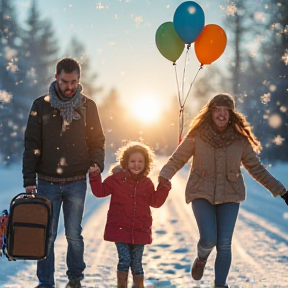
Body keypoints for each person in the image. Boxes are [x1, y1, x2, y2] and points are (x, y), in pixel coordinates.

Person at [158, 93, 288, 288]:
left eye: (226, 111)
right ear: (210, 112)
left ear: (231, 114)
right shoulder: (196, 136)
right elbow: (177, 159)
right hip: (201, 191)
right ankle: (201, 258)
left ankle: (220, 285)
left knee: (225, 243)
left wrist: (281, 191)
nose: (221, 115)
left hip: (230, 194)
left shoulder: (239, 140)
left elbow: (257, 169)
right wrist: (163, 176)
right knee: (209, 239)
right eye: (217, 110)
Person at [22, 57, 105, 288]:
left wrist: (97, 162)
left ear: (79, 80)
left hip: (76, 182)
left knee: (73, 235)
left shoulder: (88, 106)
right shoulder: (41, 105)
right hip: (46, 181)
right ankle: (46, 282)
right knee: (46, 236)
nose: (70, 87)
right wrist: (29, 180)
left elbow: (97, 141)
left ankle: (75, 279)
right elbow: (31, 143)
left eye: (74, 82)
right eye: (65, 81)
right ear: (56, 78)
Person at [89, 141, 171, 288]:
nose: (136, 165)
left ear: (146, 163)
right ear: (125, 162)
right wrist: (95, 175)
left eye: (140, 161)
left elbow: (155, 202)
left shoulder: (147, 183)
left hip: (140, 230)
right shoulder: (116, 179)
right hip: (120, 229)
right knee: (124, 260)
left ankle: (138, 285)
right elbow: (99, 192)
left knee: (137, 264)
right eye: (132, 161)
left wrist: (163, 187)